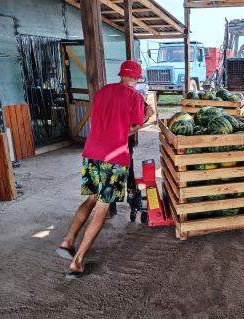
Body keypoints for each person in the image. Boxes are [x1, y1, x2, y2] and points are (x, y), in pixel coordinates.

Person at [56, 60, 154, 278]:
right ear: (137, 78)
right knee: (102, 206)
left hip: (91, 154)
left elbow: (109, 126)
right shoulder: (134, 97)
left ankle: (68, 240)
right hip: (114, 158)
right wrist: (148, 114)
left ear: (121, 75)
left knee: (91, 199)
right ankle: (77, 261)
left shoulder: (102, 92)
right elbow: (134, 127)